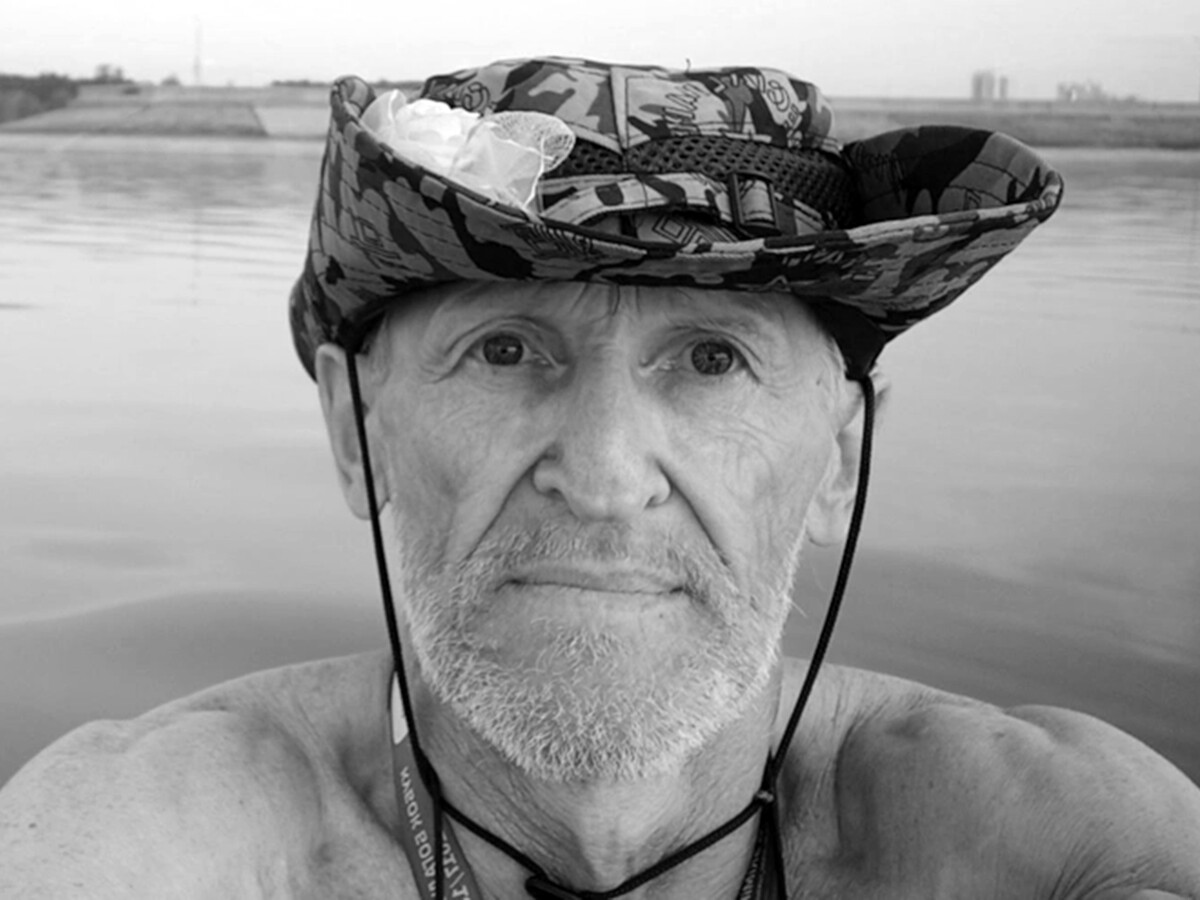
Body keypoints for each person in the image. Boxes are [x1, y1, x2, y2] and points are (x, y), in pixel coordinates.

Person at [1, 57, 1197, 899]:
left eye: (714, 360)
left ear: (839, 458)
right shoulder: (167, 834)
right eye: (503, 351)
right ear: (355, 431)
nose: (606, 477)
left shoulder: (1050, 842)